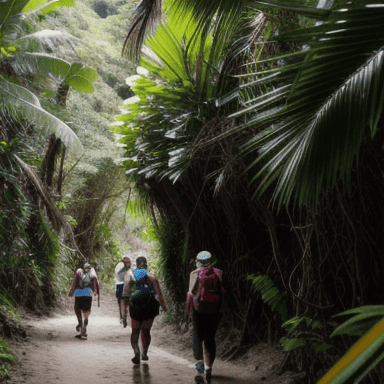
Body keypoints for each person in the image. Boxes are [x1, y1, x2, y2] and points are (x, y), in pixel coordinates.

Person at [185, 251, 225, 383]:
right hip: (215, 311)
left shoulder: (195, 273)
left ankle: (200, 368)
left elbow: (190, 295)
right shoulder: (218, 272)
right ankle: (209, 367)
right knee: (210, 338)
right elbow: (223, 293)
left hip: (199, 311)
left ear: (197, 261)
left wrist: (186, 315)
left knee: (197, 337)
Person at [121, 256, 167, 364]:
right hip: (149, 309)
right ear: (146, 264)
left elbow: (125, 296)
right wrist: (164, 307)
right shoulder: (151, 277)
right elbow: (159, 294)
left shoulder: (131, 276)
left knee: (135, 331)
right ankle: (144, 353)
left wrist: (124, 315)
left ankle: (136, 352)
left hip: (135, 309)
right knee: (146, 331)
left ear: (136, 265)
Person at [68, 262, 100, 339]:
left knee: (77, 309)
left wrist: (71, 291)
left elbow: (75, 282)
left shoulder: (79, 273)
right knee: (86, 311)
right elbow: (95, 285)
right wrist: (95, 292)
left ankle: (80, 324)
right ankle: (84, 327)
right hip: (88, 294)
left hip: (79, 293)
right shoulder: (92, 275)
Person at [115, 256, 131, 324]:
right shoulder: (127, 268)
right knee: (126, 302)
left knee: (120, 302)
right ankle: (125, 316)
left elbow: (116, 275)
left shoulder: (118, 265)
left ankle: (122, 317)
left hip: (119, 286)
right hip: (126, 286)